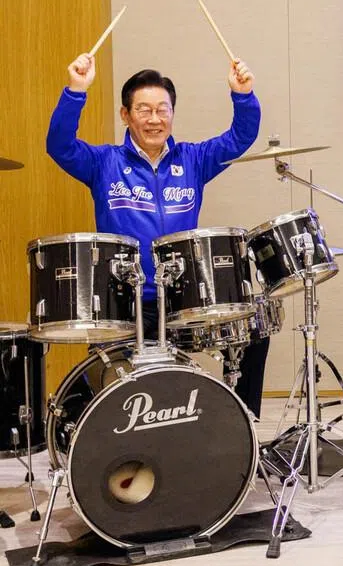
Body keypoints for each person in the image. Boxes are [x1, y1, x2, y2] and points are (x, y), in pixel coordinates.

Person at [45, 52, 269, 417]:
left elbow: (240, 137)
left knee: (254, 330)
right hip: (126, 305)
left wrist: (243, 96)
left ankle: (239, 426)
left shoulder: (194, 159)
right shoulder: (104, 163)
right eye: (144, 110)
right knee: (116, 393)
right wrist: (76, 90)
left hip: (182, 300)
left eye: (162, 109)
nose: (154, 119)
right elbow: (60, 146)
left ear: (172, 114)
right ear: (126, 115)